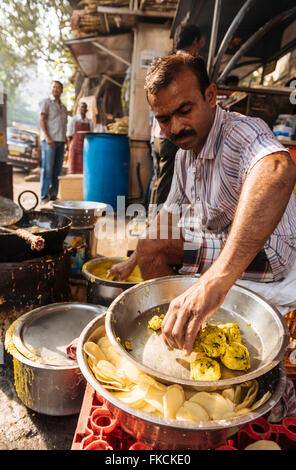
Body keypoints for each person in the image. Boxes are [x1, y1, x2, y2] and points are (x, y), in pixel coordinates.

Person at [111, 53, 296, 355]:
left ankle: (181, 334)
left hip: (272, 251)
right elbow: (168, 215)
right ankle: (176, 327)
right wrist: (135, 258)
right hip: (224, 240)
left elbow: (277, 168)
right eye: (164, 119)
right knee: (151, 246)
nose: (175, 128)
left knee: (156, 250)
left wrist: (216, 279)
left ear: (210, 96)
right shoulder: (185, 155)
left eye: (185, 110)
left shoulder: (241, 132)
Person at [149, 23, 203, 209]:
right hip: (168, 138)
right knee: (165, 183)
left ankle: (152, 221)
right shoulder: (187, 66)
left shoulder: (166, 62)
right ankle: (156, 225)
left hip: (157, 134)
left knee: (158, 179)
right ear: (195, 41)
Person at [39, 80, 68, 203]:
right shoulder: (46, 102)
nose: (55, 89)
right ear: (51, 89)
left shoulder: (63, 107)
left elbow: (64, 126)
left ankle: (53, 195)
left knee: (57, 170)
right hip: (49, 141)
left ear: (61, 90)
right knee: (47, 169)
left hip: (61, 141)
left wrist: (66, 143)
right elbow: (42, 120)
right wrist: (47, 137)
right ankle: (44, 196)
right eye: (53, 87)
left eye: (58, 88)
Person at [67, 102, 94, 174]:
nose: (83, 109)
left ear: (87, 110)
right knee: (74, 166)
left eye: (84, 107)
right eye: (81, 107)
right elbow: (69, 135)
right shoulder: (73, 120)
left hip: (85, 145)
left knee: (85, 164)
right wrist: (70, 147)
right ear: (79, 109)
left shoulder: (90, 121)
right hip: (75, 145)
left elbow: (91, 134)